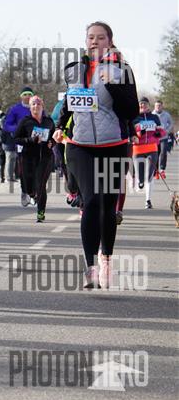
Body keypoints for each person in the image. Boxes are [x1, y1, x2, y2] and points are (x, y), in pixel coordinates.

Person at [54, 21, 138, 290]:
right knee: (90, 201)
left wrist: (113, 84)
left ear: (109, 42)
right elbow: (69, 101)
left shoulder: (122, 70)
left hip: (114, 144)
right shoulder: (74, 69)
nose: (94, 42)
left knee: (107, 206)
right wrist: (59, 125)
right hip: (80, 145)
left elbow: (131, 110)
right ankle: (90, 266)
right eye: (91, 37)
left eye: (100, 37)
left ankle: (106, 258)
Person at [14, 96, 55, 222]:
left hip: (45, 157)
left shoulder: (49, 121)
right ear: (30, 107)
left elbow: (54, 137)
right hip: (28, 157)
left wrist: (52, 142)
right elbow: (16, 138)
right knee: (28, 186)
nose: (36, 106)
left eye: (38, 104)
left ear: (42, 106)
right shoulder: (25, 121)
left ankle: (40, 213)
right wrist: (30, 140)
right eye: (33, 104)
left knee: (40, 185)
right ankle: (32, 194)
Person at [132, 97, 165, 209]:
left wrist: (158, 134)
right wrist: (140, 132)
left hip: (152, 148)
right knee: (140, 177)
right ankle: (140, 182)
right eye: (141, 104)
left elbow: (161, 131)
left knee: (149, 176)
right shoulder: (134, 117)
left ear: (149, 106)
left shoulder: (154, 117)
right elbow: (131, 133)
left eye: (145, 104)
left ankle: (148, 201)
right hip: (138, 149)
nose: (143, 105)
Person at [3, 87, 34, 183]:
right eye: (25, 94)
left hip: (34, 138)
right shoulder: (15, 109)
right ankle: (16, 177)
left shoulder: (37, 107)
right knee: (18, 158)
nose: (27, 96)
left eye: (30, 94)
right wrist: (17, 129)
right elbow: (7, 125)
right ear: (21, 97)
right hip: (20, 139)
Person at [152, 100, 173, 179]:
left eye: (159, 105)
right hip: (155, 138)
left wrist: (167, 131)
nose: (158, 107)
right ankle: (156, 171)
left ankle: (162, 169)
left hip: (164, 137)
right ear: (154, 106)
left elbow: (171, 123)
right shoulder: (152, 114)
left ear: (162, 106)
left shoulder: (166, 115)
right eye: (156, 105)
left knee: (163, 152)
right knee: (155, 154)